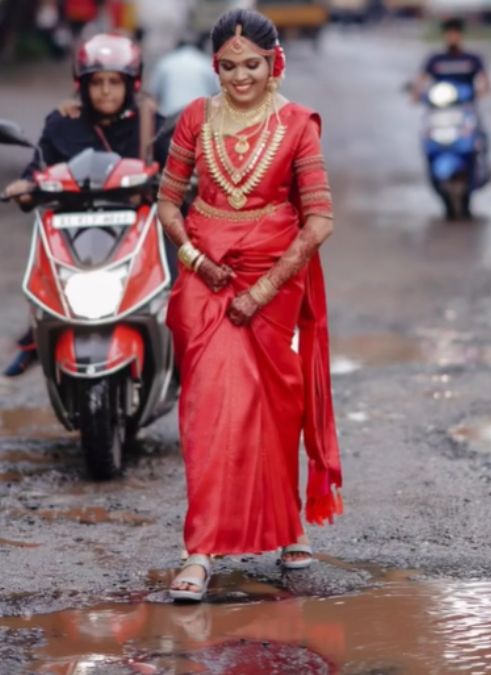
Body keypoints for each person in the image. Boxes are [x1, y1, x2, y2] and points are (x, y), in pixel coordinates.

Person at [156, 8, 343, 602]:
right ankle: (201, 549)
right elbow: (167, 205)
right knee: (206, 408)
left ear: (274, 63)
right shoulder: (194, 118)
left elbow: (320, 221)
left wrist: (262, 289)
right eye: (230, 66)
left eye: (253, 65)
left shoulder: (296, 125)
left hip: (273, 281)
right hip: (204, 279)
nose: (241, 77)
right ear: (216, 64)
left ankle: (287, 523)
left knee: (274, 406)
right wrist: (196, 261)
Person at [1, 32, 169, 377]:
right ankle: (36, 338)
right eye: (97, 82)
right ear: (82, 85)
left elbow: (179, 166)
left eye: (114, 82)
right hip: (72, 226)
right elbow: (39, 166)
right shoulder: (62, 123)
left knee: (180, 287)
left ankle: (180, 356)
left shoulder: (151, 124)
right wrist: (25, 186)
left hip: (138, 227)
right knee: (44, 281)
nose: (105, 90)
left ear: (131, 84)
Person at [409, 18, 490, 101]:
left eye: (455, 33)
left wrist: (482, 91)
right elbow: (421, 79)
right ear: (444, 35)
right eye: (449, 33)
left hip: (465, 103)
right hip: (440, 101)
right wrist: (416, 93)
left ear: (460, 35)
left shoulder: (472, 59)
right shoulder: (435, 59)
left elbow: (484, 80)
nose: (452, 37)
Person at [149, 35, 220, 119]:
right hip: (200, 118)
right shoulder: (206, 63)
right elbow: (218, 92)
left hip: (169, 117)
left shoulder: (165, 61)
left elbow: (153, 95)